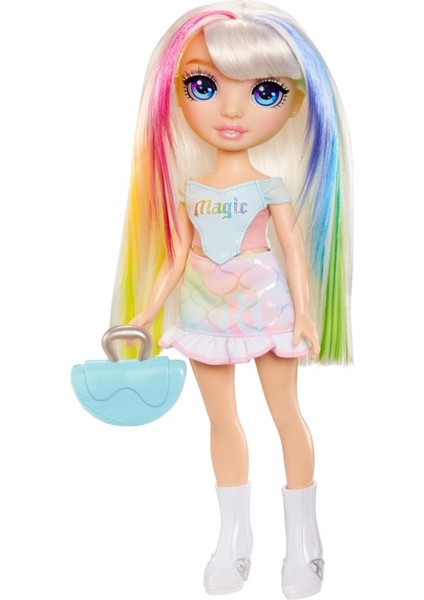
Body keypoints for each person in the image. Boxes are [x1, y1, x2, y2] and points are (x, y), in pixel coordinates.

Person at [111, 2, 352, 597]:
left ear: (294, 103)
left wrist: (306, 312)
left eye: (265, 91)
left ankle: (304, 541)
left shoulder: (270, 187)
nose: (232, 110)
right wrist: (146, 312)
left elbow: (293, 252)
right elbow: (175, 257)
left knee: (285, 414)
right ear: (175, 95)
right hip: (203, 307)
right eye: (203, 86)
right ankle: (233, 538)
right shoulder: (190, 189)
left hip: (264, 303)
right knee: (221, 420)